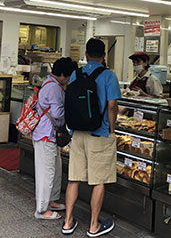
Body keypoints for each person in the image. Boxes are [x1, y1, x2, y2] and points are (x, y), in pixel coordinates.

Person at [63, 38, 120, 237]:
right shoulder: (109, 75)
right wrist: (111, 129)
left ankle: (68, 222)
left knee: (74, 178)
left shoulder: (75, 74)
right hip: (99, 133)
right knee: (99, 181)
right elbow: (112, 105)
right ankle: (94, 226)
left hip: (77, 133)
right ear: (104, 56)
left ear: (86, 54)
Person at [32, 57, 77, 220]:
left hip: (47, 134)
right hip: (46, 135)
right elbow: (57, 113)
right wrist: (73, 113)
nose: (70, 79)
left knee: (55, 169)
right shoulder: (55, 88)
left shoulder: (49, 83)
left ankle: (51, 201)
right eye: (69, 76)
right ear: (63, 74)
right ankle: (41, 210)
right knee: (47, 173)